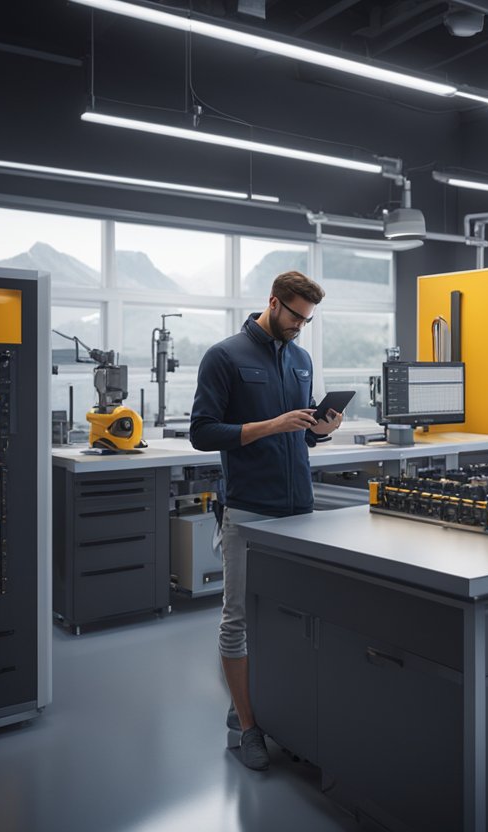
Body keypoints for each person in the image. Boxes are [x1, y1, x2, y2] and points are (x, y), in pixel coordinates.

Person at [190, 271, 343, 771]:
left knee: (293, 618)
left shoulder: (300, 359)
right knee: (238, 622)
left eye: (308, 319)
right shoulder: (224, 356)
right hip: (250, 510)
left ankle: (281, 717)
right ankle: (247, 725)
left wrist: (320, 429)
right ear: (273, 303)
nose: (301, 325)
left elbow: (299, 435)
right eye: (295, 315)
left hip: (300, 509)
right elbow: (203, 432)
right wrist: (272, 424)